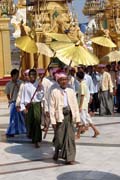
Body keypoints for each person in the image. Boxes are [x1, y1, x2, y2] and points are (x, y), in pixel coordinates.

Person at [49, 71, 81, 165]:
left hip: (70, 116)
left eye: (65, 79)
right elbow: (52, 107)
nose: (64, 81)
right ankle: (57, 150)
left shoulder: (71, 91)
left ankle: (70, 158)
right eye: (62, 80)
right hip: (60, 117)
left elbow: (75, 105)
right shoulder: (54, 92)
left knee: (70, 138)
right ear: (58, 81)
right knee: (59, 138)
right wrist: (53, 121)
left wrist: (78, 119)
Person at [20, 69, 44, 148]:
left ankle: (36, 140)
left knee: (37, 122)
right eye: (31, 75)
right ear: (29, 76)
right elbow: (22, 97)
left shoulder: (39, 84)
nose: (32, 76)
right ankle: (32, 136)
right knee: (30, 123)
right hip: (29, 106)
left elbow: (41, 97)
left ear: (36, 76)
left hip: (36, 104)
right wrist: (23, 107)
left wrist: (40, 89)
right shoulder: (25, 86)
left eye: (34, 75)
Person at [76, 71, 100, 139]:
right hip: (84, 104)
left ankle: (78, 135)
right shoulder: (84, 84)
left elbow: (82, 95)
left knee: (82, 119)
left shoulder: (82, 85)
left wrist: (80, 106)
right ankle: (95, 130)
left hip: (82, 105)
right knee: (87, 118)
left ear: (78, 77)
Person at [5, 69, 26, 137]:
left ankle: (22, 130)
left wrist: (17, 85)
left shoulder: (21, 82)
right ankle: (12, 131)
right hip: (13, 102)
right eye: (16, 75)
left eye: (17, 75)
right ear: (12, 75)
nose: (17, 76)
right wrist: (9, 100)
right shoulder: (8, 84)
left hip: (20, 102)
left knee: (21, 117)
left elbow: (23, 91)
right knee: (13, 117)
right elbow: (7, 93)